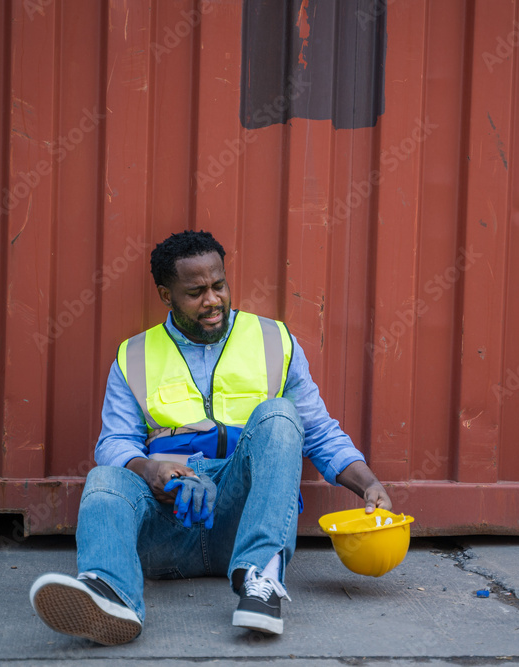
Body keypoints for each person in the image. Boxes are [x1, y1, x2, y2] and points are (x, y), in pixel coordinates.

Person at [29, 230, 392, 644]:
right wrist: (150, 469)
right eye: (196, 292)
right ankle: (112, 594)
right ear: (166, 295)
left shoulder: (274, 341)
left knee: (281, 414)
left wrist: (368, 483)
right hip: (167, 523)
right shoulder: (133, 355)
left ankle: (261, 579)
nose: (213, 301)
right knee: (103, 477)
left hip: (242, 521)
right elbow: (114, 442)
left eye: (219, 286)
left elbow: (320, 432)